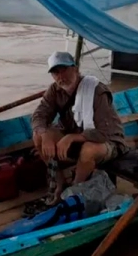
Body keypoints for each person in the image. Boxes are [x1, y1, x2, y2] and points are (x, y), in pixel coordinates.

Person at [31, 51, 128, 200]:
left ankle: (74, 190)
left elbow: (102, 133)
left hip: (108, 141)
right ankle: (60, 183)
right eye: (56, 72)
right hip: (75, 136)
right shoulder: (55, 90)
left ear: (75, 69)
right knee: (38, 136)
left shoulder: (96, 90)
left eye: (64, 69)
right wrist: (45, 135)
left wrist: (71, 138)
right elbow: (39, 115)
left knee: (88, 150)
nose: (60, 76)